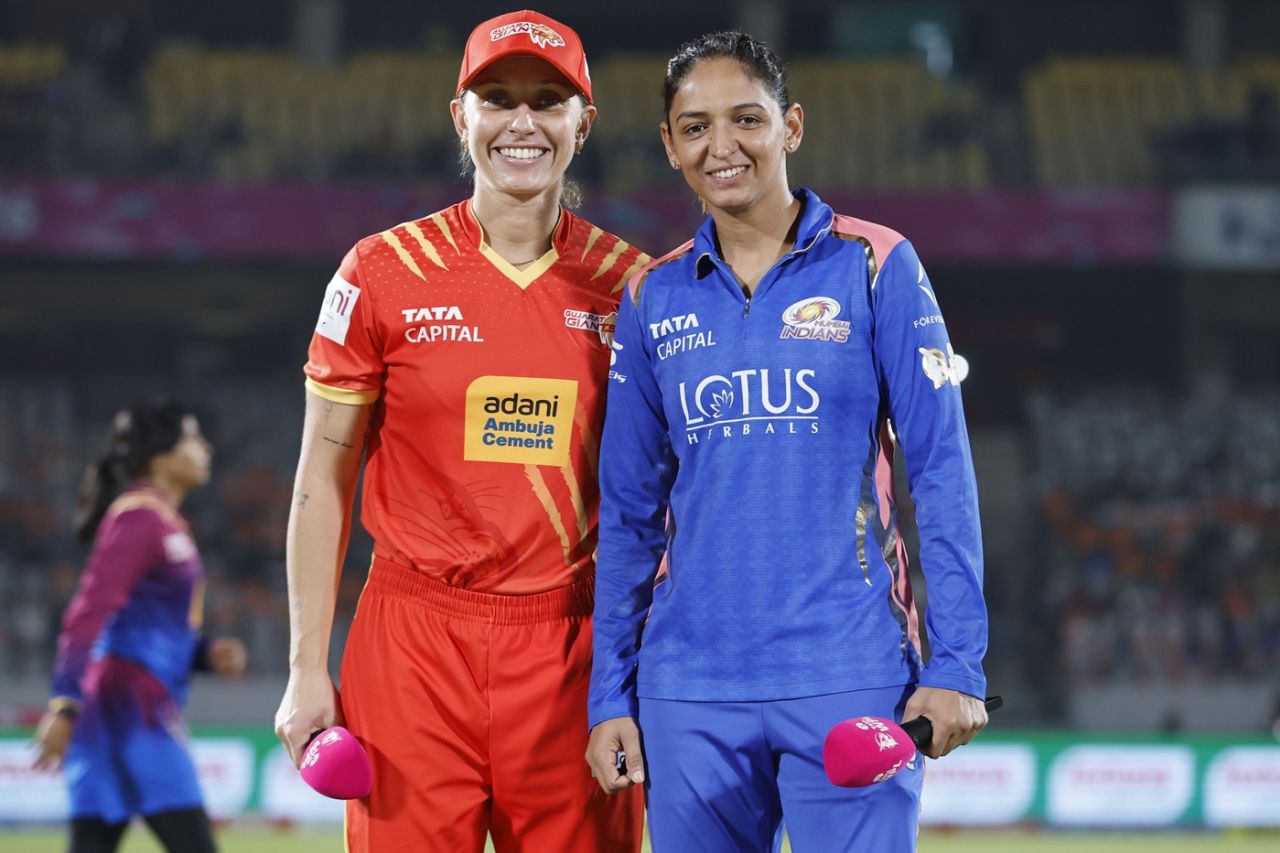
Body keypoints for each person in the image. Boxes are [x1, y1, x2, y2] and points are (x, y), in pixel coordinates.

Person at [585, 31, 989, 852]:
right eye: (694, 127)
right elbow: (627, 512)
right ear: (669, 145)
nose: (721, 146)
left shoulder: (877, 265)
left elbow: (942, 473)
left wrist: (958, 664)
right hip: (686, 689)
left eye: (746, 119)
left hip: (851, 674)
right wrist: (610, 695)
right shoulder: (650, 295)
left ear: (791, 126)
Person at [272, 10, 648, 852]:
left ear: (582, 125)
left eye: (548, 101)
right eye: (497, 98)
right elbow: (318, 482)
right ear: (460, 117)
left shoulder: (636, 288)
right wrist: (304, 668)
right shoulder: (378, 271)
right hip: (411, 643)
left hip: (570, 651)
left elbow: (664, 501)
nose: (523, 122)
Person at [33, 403, 246, 853]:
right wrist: (64, 702)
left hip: (130, 698)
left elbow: (149, 624)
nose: (205, 448)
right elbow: (89, 612)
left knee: (94, 841)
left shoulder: (165, 521)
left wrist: (204, 655)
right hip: (126, 703)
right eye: (193, 438)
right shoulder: (138, 519)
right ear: (160, 455)